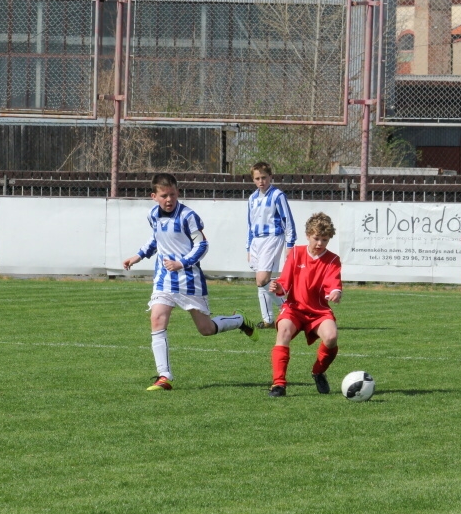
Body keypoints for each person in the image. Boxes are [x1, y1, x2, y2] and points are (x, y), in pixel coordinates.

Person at [123, 173, 258, 391]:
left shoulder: (188, 216)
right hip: (164, 279)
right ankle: (164, 376)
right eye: (164, 196)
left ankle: (239, 320)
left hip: (189, 280)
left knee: (206, 329)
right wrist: (137, 256)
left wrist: (182, 263)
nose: (169, 200)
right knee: (157, 318)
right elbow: (155, 238)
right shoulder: (153, 215)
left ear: (178, 193)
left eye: (173, 195)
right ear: (154, 196)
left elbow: (202, 245)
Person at [266, 212, 342, 397]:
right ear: (308, 235)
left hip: (319, 311)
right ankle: (279, 385)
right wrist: (277, 286)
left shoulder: (332, 259)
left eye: (324, 240)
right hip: (294, 309)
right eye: (316, 238)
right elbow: (284, 284)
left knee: (331, 337)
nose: (320, 244)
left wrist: (335, 292)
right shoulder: (296, 254)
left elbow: (333, 284)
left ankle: (318, 371)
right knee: (283, 332)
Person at [246, 161, 296, 328]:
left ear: (271, 177)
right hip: (256, 241)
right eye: (258, 178)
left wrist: (290, 244)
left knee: (262, 279)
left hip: (272, 238)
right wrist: (248, 246)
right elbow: (249, 224)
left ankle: (288, 308)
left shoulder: (277, 195)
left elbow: (287, 220)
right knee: (261, 282)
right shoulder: (252, 198)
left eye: (264, 178)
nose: (261, 181)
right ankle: (268, 320)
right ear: (253, 180)